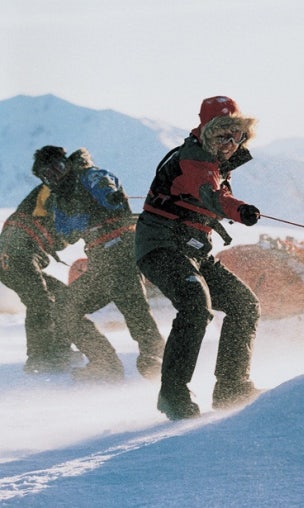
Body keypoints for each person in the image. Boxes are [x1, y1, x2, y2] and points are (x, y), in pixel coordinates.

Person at [135, 95, 262, 420]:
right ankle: (173, 395)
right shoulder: (194, 160)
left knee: (243, 305)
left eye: (237, 137)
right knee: (194, 305)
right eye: (222, 136)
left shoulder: (215, 163)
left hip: (194, 250)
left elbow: (218, 190)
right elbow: (211, 194)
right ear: (206, 133)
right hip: (161, 246)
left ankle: (231, 387)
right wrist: (240, 210)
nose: (230, 145)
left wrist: (235, 206)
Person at [31, 145, 165, 382]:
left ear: (67, 163)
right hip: (100, 262)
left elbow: (105, 187)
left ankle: (158, 359)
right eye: (48, 175)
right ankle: (105, 363)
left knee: (132, 305)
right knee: (65, 308)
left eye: (58, 168)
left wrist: (109, 195)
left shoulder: (89, 175)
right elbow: (66, 233)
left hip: (122, 251)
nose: (56, 176)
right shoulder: (59, 199)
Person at [0, 182, 80, 373]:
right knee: (40, 301)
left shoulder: (49, 213)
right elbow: (49, 192)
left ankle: (59, 349)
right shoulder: (50, 192)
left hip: (13, 259)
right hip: (18, 256)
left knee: (63, 295)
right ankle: (39, 358)